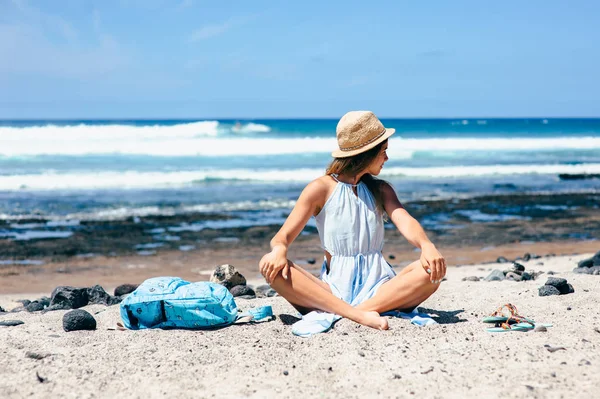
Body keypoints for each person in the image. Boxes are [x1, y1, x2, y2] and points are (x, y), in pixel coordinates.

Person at [259, 111, 446, 332]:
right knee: (270, 266)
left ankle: (349, 313)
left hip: (381, 289)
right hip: (331, 291)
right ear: (367, 153)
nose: (386, 158)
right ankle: (358, 314)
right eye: (383, 152)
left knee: (432, 270)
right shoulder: (320, 188)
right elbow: (282, 237)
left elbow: (404, 219)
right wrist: (279, 249)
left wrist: (427, 245)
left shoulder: (381, 189)